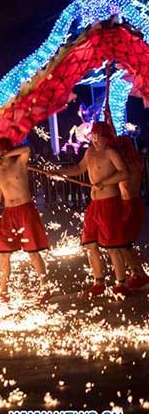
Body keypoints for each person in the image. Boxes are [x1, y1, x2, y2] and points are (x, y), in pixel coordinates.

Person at [57, 122, 130, 296]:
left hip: (110, 203)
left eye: (99, 138)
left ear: (107, 138)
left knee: (113, 246)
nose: (95, 141)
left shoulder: (110, 153)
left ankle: (121, 284)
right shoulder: (89, 152)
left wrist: (104, 182)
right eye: (93, 137)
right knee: (90, 244)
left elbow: (124, 173)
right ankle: (99, 282)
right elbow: (79, 168)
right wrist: (61, 172)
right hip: (94, 205)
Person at [0, 138, 49, 303]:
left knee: (33, 252)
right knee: (3, 254)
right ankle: (3, 292)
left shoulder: (20, 163)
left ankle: (45, 287)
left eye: (2, 152)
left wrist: (7, 155)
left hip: (25, 210)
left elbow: (26, 150)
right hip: (9, 213)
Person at [112, 135, 149, 290]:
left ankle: (138, 273)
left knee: (124, 243)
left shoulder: (130, 165)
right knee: (125, 244)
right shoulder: (131, 161)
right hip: (129, 204)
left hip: (132, 205)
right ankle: (138, 273)